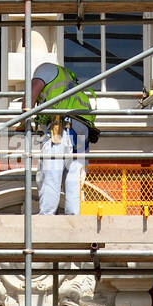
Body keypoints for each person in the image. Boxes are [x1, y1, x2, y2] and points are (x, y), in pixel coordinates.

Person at [29, 61, 96, 216]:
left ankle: (47, 214)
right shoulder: (66, 78)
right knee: (74, 175)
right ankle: (74, 216)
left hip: (61, 126)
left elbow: (28, 101)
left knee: (51, 171)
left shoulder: (43, 70)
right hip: (82, 128)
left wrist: (21, 122)